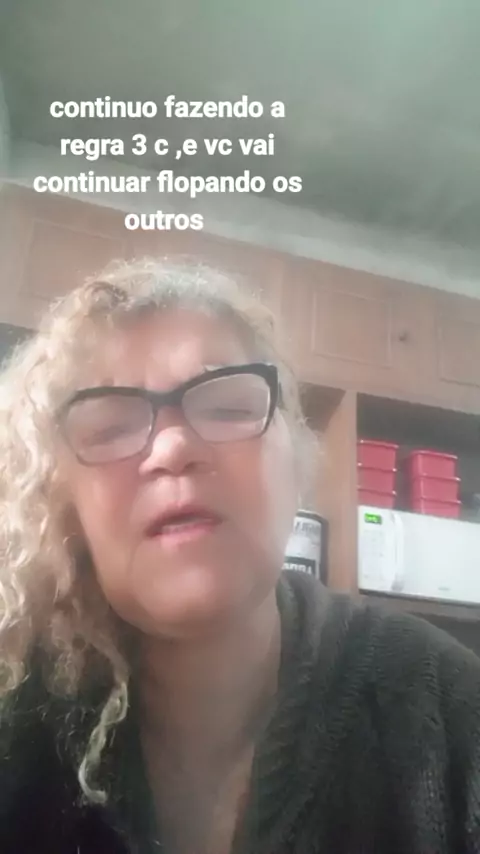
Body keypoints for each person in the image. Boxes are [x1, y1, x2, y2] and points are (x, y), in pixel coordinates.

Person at [0, 257, 479, 854]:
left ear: (297, 463)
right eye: (111, 426)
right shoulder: (16, 720)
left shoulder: (450, 706)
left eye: (228, 407)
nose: (173, 447)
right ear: (65, 507)